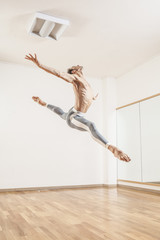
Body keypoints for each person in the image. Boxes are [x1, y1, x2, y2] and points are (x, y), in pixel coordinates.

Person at [25, 53, 131, 162]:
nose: (78, 65)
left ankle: (43, 103)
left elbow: (85, 95)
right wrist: (40, 64)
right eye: (75, 66)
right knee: (90, 125)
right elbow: (58, 73)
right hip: (74, 116)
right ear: (74, 71)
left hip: (75, 112)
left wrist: (92, 97)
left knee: (62, 114)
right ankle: (113, 149)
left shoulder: (86, 83)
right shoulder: (75, 78)